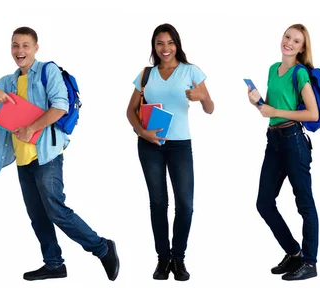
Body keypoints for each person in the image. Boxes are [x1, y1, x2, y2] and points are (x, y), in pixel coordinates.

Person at [0, 26, 119, 282]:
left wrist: (31, 128)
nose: (20, 51)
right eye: (15, 45)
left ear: (35, 48)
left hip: (46, 155)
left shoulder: (47, 71)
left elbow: (60, 107)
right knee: (37, 215)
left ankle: (102, 247)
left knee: (55, 209)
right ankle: (53, 264)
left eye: (25, 45)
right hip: (21, 158)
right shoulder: (7, 81)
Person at [126, 23, 214, 282]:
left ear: (177, 44)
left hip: (179, 146)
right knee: (158, 203)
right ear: (154, 47)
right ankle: (163, 259)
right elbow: (130, 110)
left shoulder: (191, 71)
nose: (165, 48)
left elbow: (210, 108)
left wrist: (202, 98)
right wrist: (143, 133)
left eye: (170, 42)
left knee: (185, 204)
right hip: (150, 145)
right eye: (159, 43)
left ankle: (179, 257)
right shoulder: (146, 74)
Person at [247, 24, 319, 281]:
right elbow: (271, 110)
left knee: (305, 204)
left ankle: (310, 263)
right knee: (264, 203)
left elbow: (313, 113)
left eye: (296, 41)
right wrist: (257, 103)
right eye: (287, 36)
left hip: (293, 142)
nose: (289, 42)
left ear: (302, 48)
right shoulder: (272, 70)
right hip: (274, 140)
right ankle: (294, 253)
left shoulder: (299, 74)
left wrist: (274, 112)